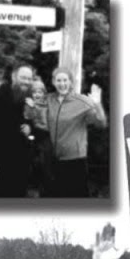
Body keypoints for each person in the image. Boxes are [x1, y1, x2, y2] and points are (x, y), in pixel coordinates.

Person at [40, 67, 107, 197]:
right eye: (58, 80)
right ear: (53, 82)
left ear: (71, 82)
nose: (62, 84)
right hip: (54, 159)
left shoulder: (82, 101)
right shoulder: (49, 99)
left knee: (76, 198)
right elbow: (35, 108)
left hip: (75, 160)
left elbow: (101, 123)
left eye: (65, 80)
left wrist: (97, 104)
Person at [0, 65, 37, 197]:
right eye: (23, 78)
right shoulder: (0, 92)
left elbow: (31, 123)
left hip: (21, 160)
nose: (26, 81)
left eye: (29, 78)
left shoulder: (29, 97)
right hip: (0, 159)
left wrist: (30, 129)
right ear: (14, 77)